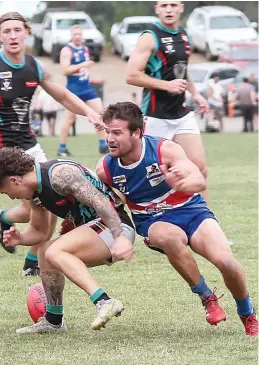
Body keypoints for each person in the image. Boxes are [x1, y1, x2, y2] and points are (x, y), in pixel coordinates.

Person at [0, 12, 105, 276]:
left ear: (26, 33)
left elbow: (64, 95)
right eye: (6, 31)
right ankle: (33, 261)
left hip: (30, 145)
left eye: (17, 30)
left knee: (46, 200)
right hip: (1, 150)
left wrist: (89, 113)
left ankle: (8, 225)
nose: (12, 35)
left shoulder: (35, 66)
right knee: (46, 203)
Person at [96, 102, 257, 336]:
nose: (110, 138)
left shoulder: (164, 150)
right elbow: (103, 202)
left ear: (137, 132)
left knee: (226, 262)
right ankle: (207, 297)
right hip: (152, 220)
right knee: (169, 236)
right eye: (107, 132)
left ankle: (248, 314)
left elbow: (199, 182)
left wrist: (182, 183)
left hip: (191, 211)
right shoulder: (105, 169)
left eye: (117, 132)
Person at [0, 147, 135, 334]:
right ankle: (53, 321)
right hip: (97, 230)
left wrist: (119, 237)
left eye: (7, 192)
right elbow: (40, 232)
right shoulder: (35, 192)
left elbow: (101, 202)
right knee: (44, 253)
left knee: (54, 251)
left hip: (115, 227)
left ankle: (105, 301)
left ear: (14, 180)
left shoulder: (60, 175)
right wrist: (21, 238)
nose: (12, 197)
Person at [126, 1, 210, 202]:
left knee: (199, 169)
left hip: (181, 114)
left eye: (173, 5)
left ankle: (206, 223)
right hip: (155, 116)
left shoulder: (183, 34)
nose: (169, 9)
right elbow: (131, 75)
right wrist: (167, 85)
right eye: (164, 5)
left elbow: (181, 69)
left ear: (181, 7)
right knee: (148, 176)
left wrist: (195, 93)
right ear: (157, 9)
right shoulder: (150, 37)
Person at [57, 25, 108, 157]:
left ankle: (102, 145)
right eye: (75, 34)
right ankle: (61, 147)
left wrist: (88, 72)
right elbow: (65, 70)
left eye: (79, 34)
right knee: (70, 119)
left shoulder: (85, 48)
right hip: (73, 90)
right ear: (71, 35)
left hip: (87, 88)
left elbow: (85, 68)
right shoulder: (67, 50)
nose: (78, 36)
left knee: (101, 114)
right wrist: (83, 65)